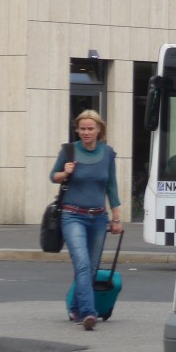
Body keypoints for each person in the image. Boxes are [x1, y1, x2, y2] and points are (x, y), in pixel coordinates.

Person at [50, 110, 123, 330]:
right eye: (82, 128)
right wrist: (65, 173)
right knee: (82, 264)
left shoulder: (107, 153)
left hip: (98, 218)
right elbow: (53, 176)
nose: (86, 132)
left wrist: (116, 217)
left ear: (99, 129)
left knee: (90, 268)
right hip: (72, 215)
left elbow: (111, 185)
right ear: (77, 130)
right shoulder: (69, 151)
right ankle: (88, 312)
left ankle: (74, 307)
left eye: (90, 128)